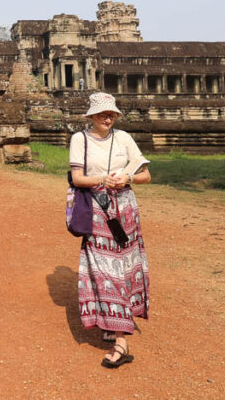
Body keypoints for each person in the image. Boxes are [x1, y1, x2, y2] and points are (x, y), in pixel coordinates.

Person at [69, 92, 151, 368]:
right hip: (96, 210)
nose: (108, 118)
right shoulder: (79, 140)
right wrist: (103, 179)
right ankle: (117, 333)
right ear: (91, 116)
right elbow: (78, 179)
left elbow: (146, 175)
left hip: (125, 211)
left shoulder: (124, 138)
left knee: (122, 270)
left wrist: (128, 177)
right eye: (103, 114)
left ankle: (119, 337)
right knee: (102, 271)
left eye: (112, 114)